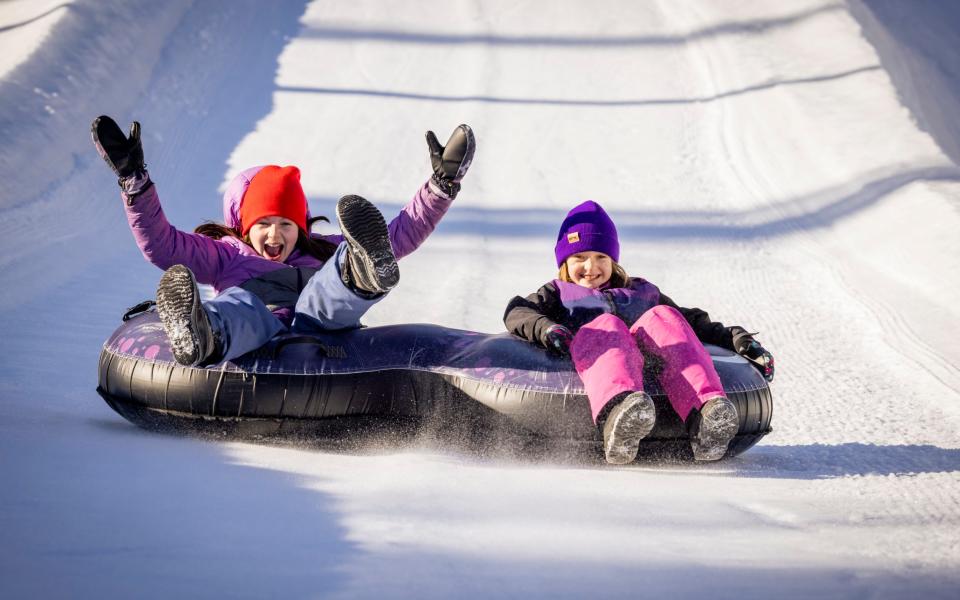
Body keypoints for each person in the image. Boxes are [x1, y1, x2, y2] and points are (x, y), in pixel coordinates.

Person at [91, 115, 474, 366]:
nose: (276, 234)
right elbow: (163, 245)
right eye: (264, 224)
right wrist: (134, 182)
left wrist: (440, 187)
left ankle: (362, 270)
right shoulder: (226, 255)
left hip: (321, 328)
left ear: (301, 226)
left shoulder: (318, 249)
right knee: (245, 308)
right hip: (260, 327)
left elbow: (401, 234)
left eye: (287, 224)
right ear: (244, 226)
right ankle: (203, 332)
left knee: (329, 286)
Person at [503, 201, 774, 464]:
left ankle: (707, 416)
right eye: (579, 258)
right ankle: (620, 416)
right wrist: (549, 329)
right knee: (606, 325)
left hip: (654, 365)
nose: (591, 267)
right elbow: (518, 312)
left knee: (665, 316)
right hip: (598, 360)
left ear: (613, 260)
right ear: (564, 261)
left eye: (601, 257)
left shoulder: (641, 291)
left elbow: (691, 322)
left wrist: (738, 340)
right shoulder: (558, 293)